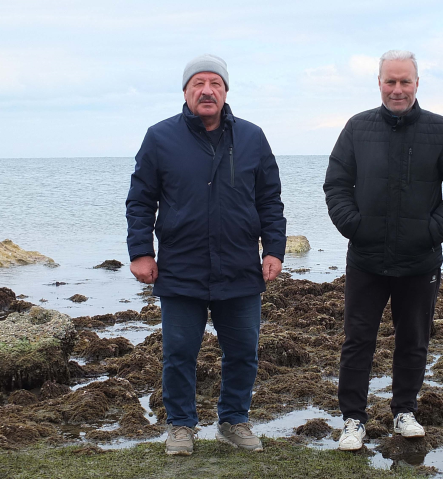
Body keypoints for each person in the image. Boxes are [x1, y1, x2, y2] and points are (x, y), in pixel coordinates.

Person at [126, 54, 286, 455]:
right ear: (185, 92)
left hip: (239, 267)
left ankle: (233, 421)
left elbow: (270, 200)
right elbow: (140, 201)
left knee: (244, 352)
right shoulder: (160, 137)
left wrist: (275, 250)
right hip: (181, 267)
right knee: (178, 353)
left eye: (215, 83)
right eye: (198, 83)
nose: (206, 90)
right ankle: (180, 426)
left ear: (226, 91)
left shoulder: (252, 137)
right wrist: (141, 252)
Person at [323, 50, 443, 451]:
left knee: (414, 339)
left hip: (419, 258)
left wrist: (433, 231)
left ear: (416, 83)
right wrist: (353, 226)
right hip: (366, 258)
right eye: (390, 81)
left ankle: (403, 411)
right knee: (358, 340)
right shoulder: (357, 128)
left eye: (404, 81)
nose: (397, 89)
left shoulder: (441, 130)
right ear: (379, 83)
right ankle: (353, 420)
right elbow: (336, 183)